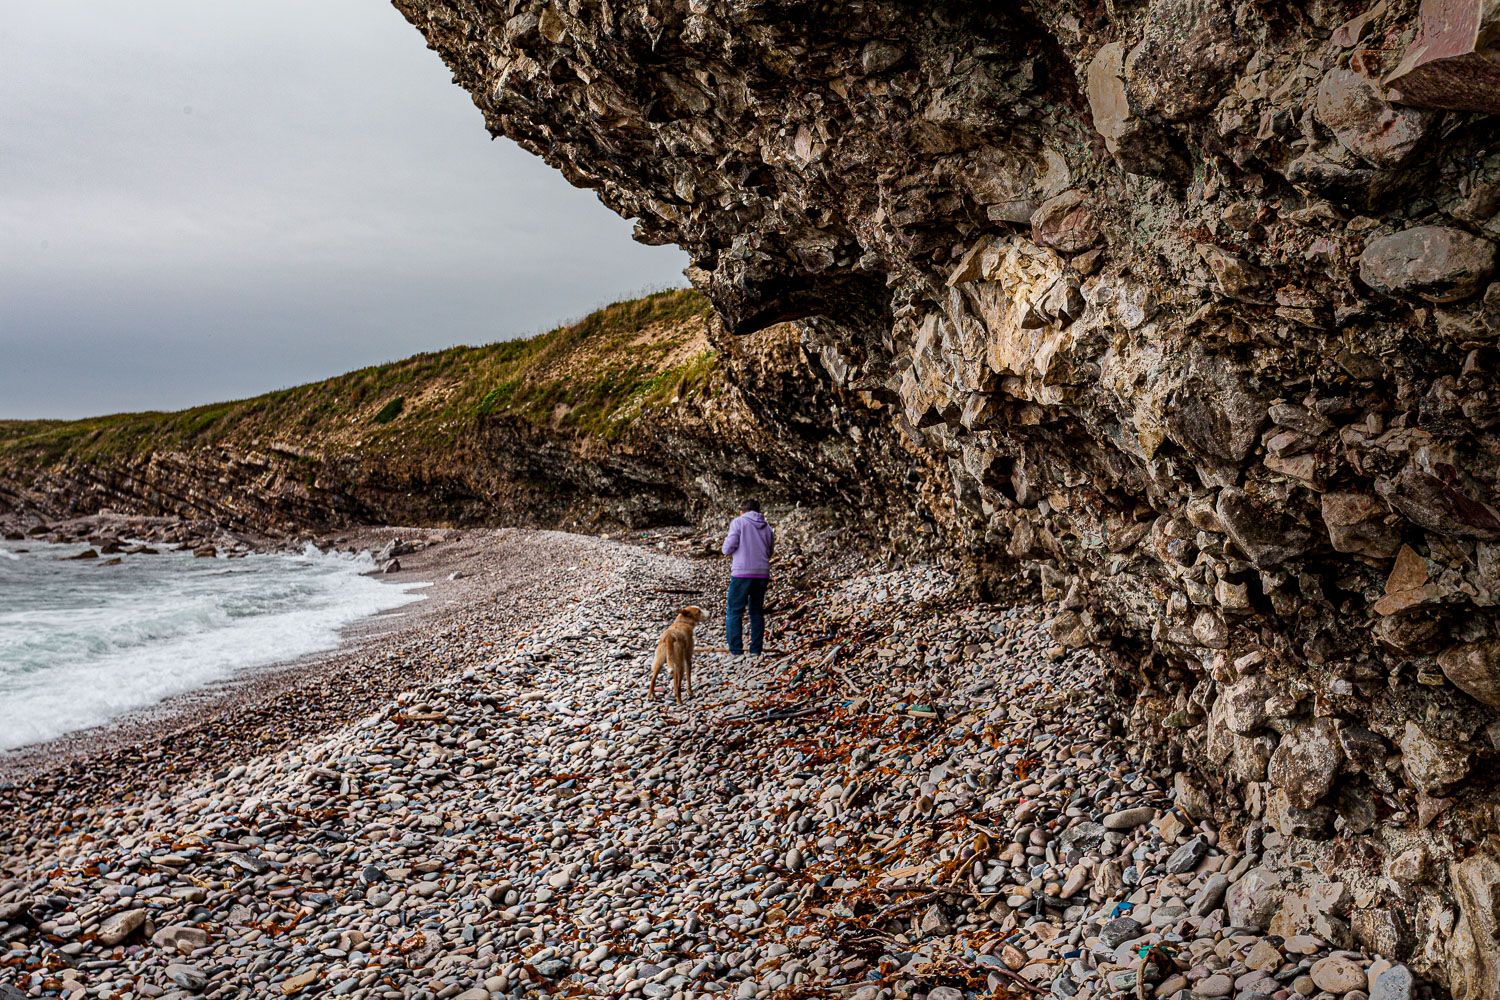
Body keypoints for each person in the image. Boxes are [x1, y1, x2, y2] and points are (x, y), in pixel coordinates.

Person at [721, 499, 774, 657]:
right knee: (756, 611)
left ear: (742, 511)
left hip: (742, 572)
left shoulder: (738, 522)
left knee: (734, 611)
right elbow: (770, 551)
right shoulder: (767, 527)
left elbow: (727, 548)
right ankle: (755, 650)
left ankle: (736, 651)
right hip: (762, 572)